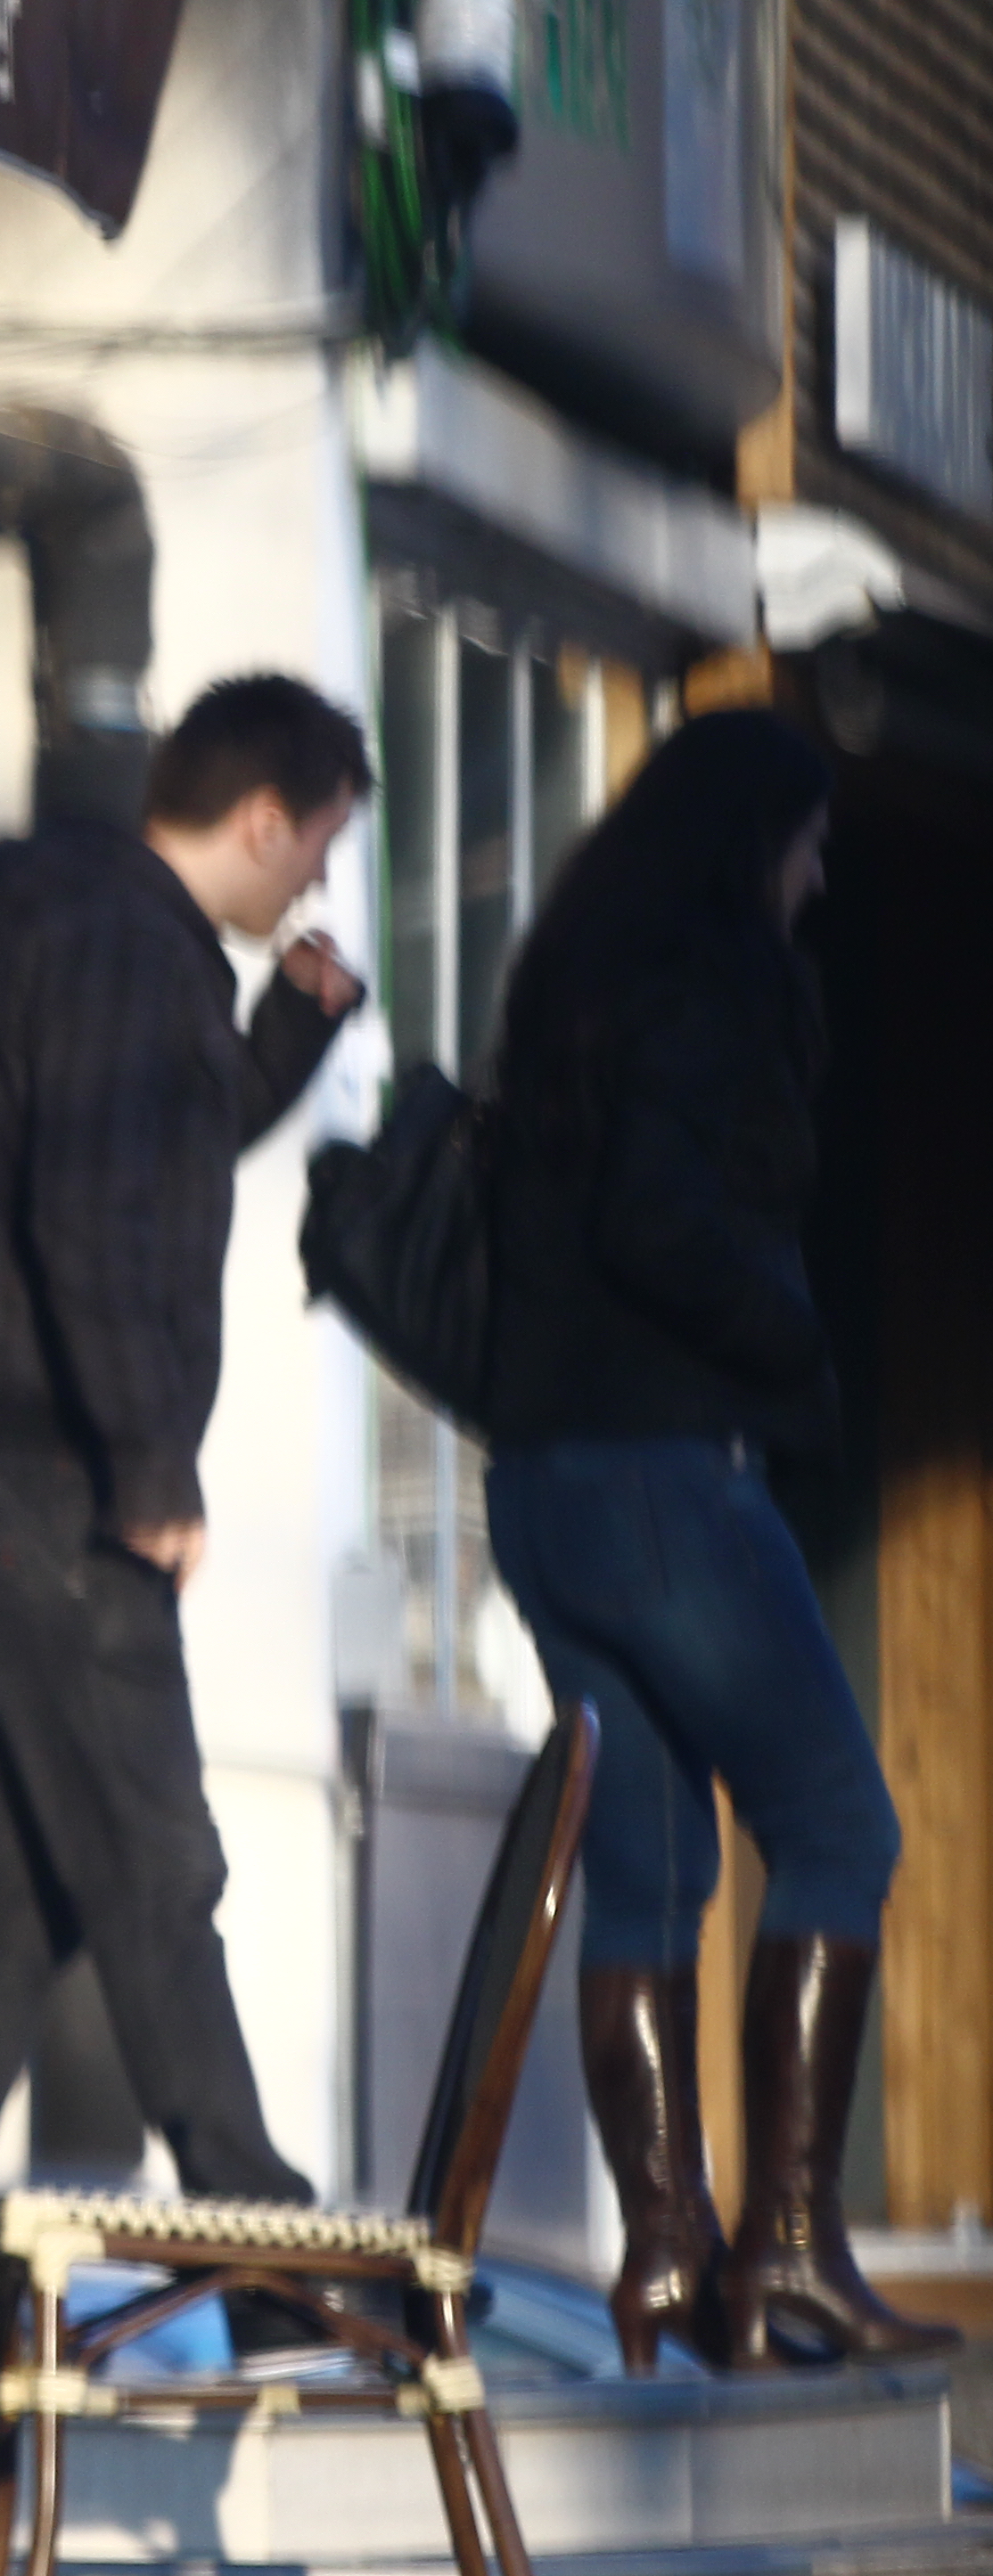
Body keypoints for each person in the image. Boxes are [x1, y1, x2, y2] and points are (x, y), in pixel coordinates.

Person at [482, 709, 950, 2370]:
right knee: (837, 1826)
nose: (819, 876)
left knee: (655, 1871)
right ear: (754, 839)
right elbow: (662, 1219)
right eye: (810, 843)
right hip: (664, 1477)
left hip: (541, 1484)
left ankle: (671, 2264)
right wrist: (793, 1344)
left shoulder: (569, 979)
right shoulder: (716, 985)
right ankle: (797, 2252)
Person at [0, 675, 372, 2209]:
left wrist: (289, 1029)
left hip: (6, 1464)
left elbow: (158, 1154)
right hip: (54, 1480)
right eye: (322, 844)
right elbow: (94, 1224)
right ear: (264, 820)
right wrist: (153, 1468)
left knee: (23, 1894)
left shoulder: (101, 936)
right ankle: (260, 2237)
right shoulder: (121, 949)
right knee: (158, 1857)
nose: (319, 882)